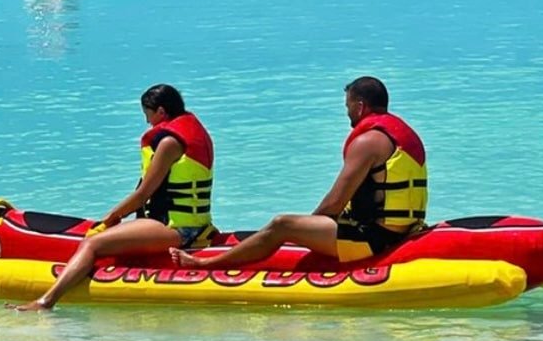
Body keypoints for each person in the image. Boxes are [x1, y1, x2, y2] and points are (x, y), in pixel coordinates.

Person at [173, 75, 425, 269]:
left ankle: (205, 264)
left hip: (374, 239)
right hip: (403, 230)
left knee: (282, 223)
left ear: (360, 107)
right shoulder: (401, 134)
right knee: (288, 227)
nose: (347, 112)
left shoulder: (367, 142)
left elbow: (334, 204)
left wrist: (304, 231)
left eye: (347, 106)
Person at [14, 84, 216, 310]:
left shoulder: (169, 143)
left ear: (161, 112)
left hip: (176, 229)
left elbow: (142, 195)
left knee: (93, 244)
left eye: (147, 115)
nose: (147, 122)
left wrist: (110, 217)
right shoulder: (193, 129)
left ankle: (45, 302)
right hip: (196, 225)